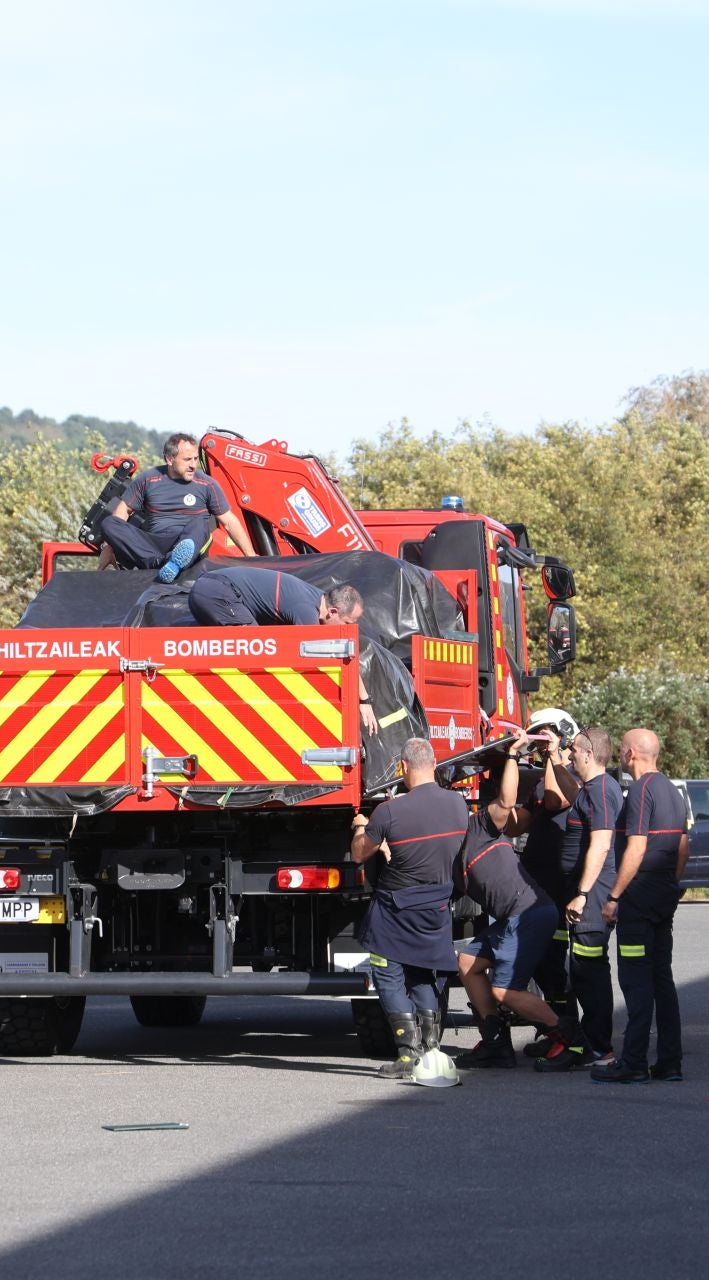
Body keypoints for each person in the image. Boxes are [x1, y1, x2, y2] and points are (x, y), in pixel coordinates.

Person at [350, 737, 463, 1080]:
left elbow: (359, 853)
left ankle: (407, 1054)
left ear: (403, 767)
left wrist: (360, 826)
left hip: (396, 909)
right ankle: (430, 1049)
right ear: (434, 765)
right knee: (423, 973)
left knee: (387, 974)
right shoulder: (457, 804)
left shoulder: (389, 812)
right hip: (437, 906)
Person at [452, 756, 566, 1070]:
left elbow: (506, 801)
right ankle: (496, 1044)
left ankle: (571, 1039)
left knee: (505, 991)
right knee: (467, 963)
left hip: (530, 913)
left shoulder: (479, 826)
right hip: (511, 920)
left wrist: (513, 757)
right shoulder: (451, 859)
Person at [595, 728, 691, 1085]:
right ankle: (670, 1062)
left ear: (631, 753)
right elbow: (683, 847)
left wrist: (614, 896)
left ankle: (634, 1062)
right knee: (661, 978)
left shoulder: (640, 790)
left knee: (636, 981)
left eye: (622, 749)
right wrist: (670, 884)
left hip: (637, 901)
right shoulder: (673, 791)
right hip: (663, 896)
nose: (620, 754)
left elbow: (636, 848)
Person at [188, 567, 379, 734]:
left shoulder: (320, 599)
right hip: (215, 591)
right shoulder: (305, 610)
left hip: (212, 588)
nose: (348, 630)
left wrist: (364, 699)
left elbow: (342, 651)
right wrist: (362, 701)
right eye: (347, 624)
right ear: (333, 612)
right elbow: (334, 657)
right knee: (257, 650)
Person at [542, 725, 623, 1070]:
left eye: (573, 749)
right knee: (576, 970)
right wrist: (553, 758)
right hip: (581, 893)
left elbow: (602, 844)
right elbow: (575, 794)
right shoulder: (591, 789)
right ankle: (580, 1043)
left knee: (589, 973)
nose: (570, 753)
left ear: (589, 754)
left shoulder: (602, 790)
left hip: (592, 894)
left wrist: (583, 894)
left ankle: (599, 1049)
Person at [98, 432, 256, 583]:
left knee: (200, 524)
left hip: (190, 541)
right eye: (187, 460)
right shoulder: (148, 479)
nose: (193, 465)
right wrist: (108, 547)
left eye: (195, 459)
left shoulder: (207, 484)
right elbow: (123, 511)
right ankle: (160, 563)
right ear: (169, 459)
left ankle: (176, 560)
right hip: (155, 544)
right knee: (108, 523)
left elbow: (229, 522)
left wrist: (251, 557)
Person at [511, 710, 578, 1060]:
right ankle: (552, 1030)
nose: (539, 746)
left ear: (564, 736)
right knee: (540, 962)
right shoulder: (540, 780)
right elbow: (517, 824)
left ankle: (571, 1033)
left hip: (559, 888)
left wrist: (553, 756)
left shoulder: (571, 776)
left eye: (545, 736)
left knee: (555, 962)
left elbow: (555, 801)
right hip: (537, 888)